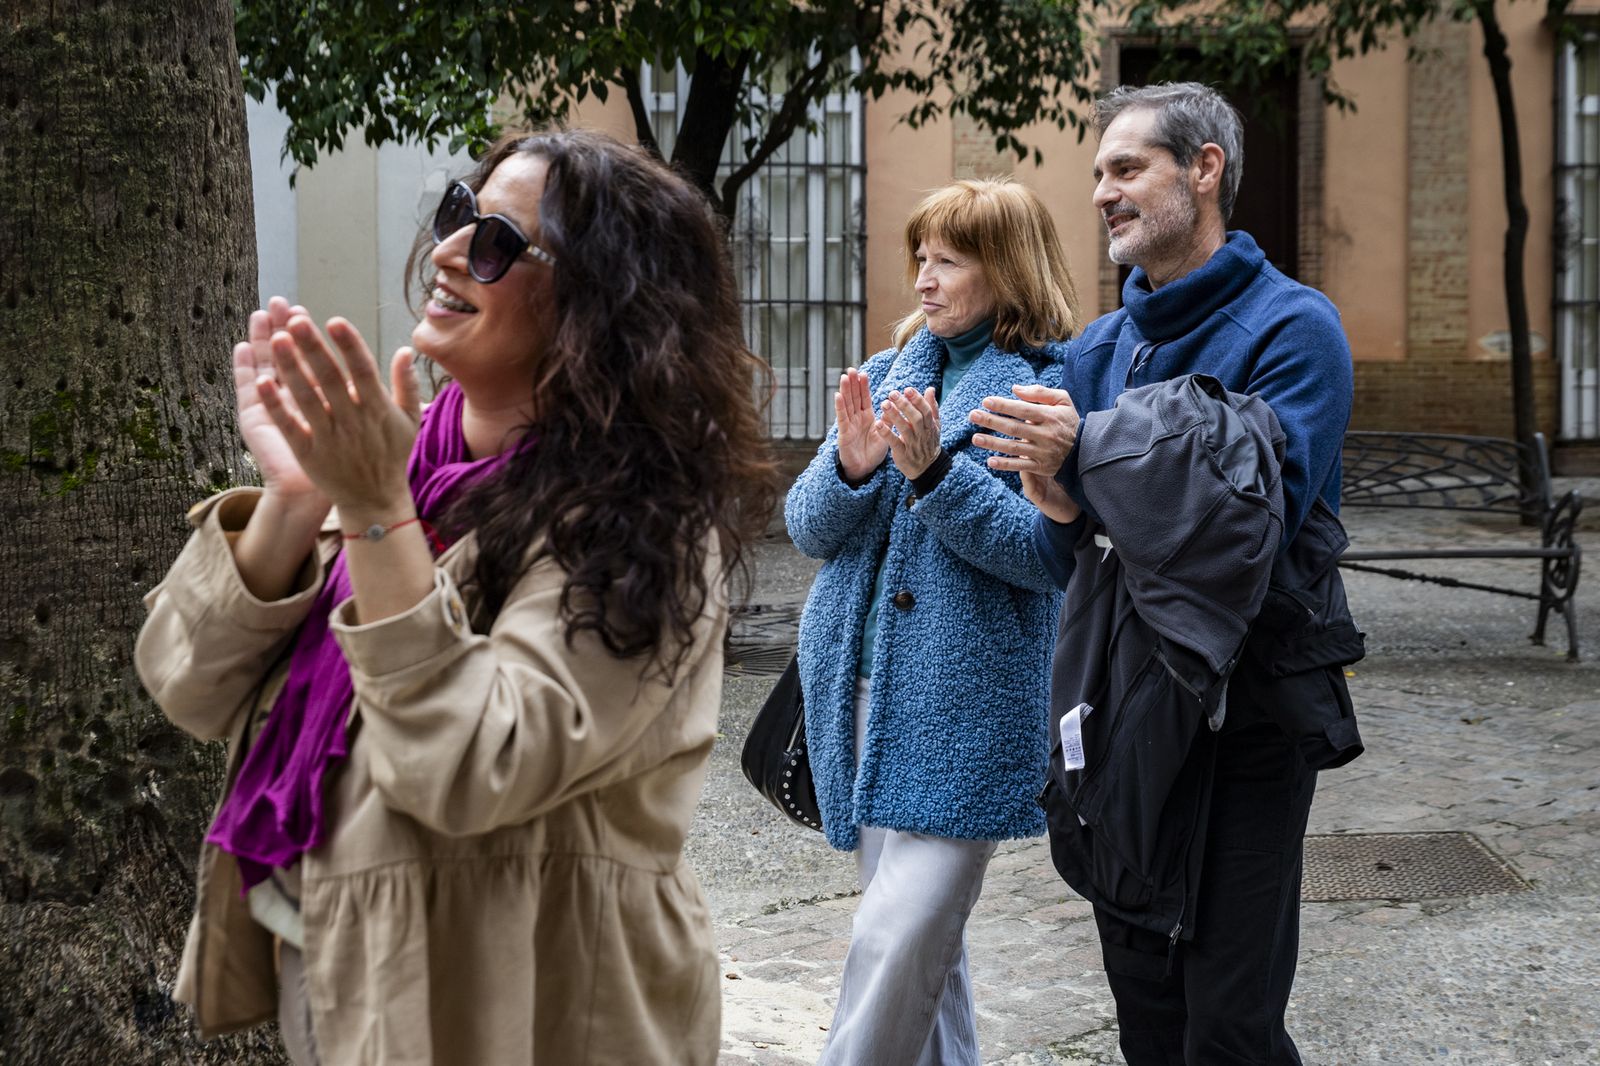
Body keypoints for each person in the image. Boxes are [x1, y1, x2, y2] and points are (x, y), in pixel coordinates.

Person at [135, 129, 778, 1065]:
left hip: (532, 1010)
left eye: (496, 243)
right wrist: (295, 500)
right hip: (348, 974)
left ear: (602, 305)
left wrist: (372, 509)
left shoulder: (644, 523)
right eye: (456, 212)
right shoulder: (407, 464)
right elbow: (186, 684)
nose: (445, 250)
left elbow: (475, 763)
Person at [971, 82, 1356, 1065]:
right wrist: (1061, 500)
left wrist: (1086, 452)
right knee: (1144, 1003)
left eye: (1126, 168)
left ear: (1204, 170)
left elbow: (1250, 510)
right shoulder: (1099, 351)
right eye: (1097, 173)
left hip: (1251, 714)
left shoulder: (1294, 328)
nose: (1102, 191)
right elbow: (1067, 547)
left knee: (1227, 1021)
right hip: (1121, 712)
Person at [784, 178, 1079, 1065]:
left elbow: (1042, 553)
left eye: (948, 261)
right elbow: (806, 529)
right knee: (923, 953)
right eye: (922, 257)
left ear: (1006, 270)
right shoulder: (886, 374)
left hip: (969, 710)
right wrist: (849, 462)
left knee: (897, 939)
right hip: (862, 696)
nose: (923, 278)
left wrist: (931, 476)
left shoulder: (1044, 390)